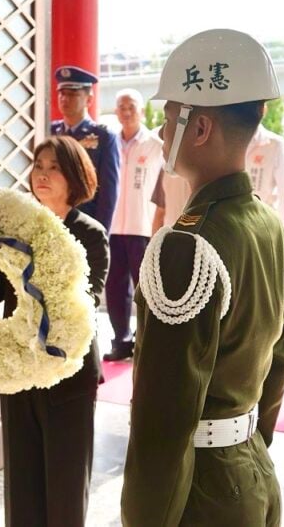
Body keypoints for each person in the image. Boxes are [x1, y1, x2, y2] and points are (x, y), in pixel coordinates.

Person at [122, 29, 284, 526]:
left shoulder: (187, 245)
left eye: (168, 118)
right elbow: (279, 361)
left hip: (200, 494)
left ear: (199, 128)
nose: (161, 134)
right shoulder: (272, 228)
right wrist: (245, 446)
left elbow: (164, 416)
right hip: (250, 470)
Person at [0, 135, 107, 526]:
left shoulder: (90, 233)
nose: (43, 175)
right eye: (38, 166)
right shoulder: (17, 229)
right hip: (19, 369)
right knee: (22, 484)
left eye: (54, 168)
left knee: (66, 484)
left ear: (75, 176)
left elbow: (88, 299)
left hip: (67, 373)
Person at [104, 89, 164, 362]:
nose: (126, 112)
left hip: (143, 226)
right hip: (114, 226)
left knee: (145, 288)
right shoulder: (110, 142)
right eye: (121, 107)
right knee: (115, 288)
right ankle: (121, 340)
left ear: (141, 111)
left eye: (132, 107)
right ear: (116, 111)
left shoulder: (155, 144)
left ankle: (146, 341)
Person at [50, 66, 120, 230]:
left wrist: (101, 232)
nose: (65, 99)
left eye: (72, 94)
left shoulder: (103, 136)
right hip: (51, 220)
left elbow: (108, 194)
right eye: (62, 93)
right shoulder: (49, 131)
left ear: (89, 99)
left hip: (84, 223)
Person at [245, 109, 284, 217]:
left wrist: (281, 226)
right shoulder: (229, 142)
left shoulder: (276, 145)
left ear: (263, 110)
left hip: (264, 220)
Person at [150, 167, 192, 232]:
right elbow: (160, 214)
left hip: (171, 233)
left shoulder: (166, 168)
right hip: (189, 233)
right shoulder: (199, 168)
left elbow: (160, 214)